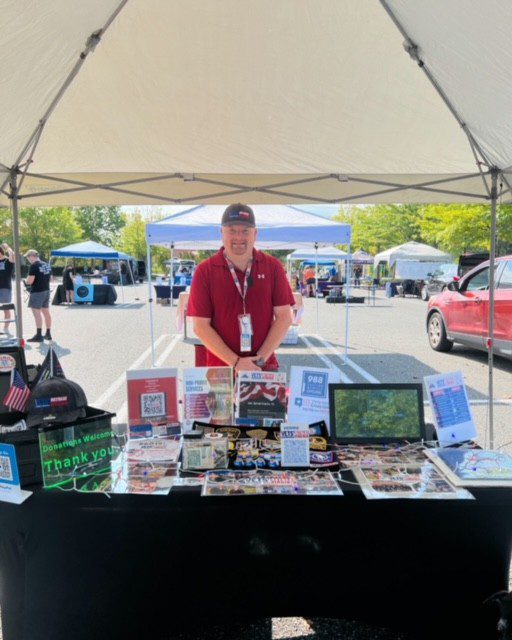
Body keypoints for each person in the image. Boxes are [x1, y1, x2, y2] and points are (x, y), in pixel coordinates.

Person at [187, 203, 294, 373]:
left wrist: (258, 362)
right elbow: (200, 326)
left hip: (263, 367)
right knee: (220, 402)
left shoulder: (272, 267)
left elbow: (284, 317)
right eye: (232, 230)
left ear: (255, 234)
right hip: (221, 370)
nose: (238, 237)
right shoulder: (205, 271)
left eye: (245, 231)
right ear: (221, 233)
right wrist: (236, 362)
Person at [24, 249, 52, 342]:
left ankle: (39, 335)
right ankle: (48, 333)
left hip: (37, 291)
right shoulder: (46, 264)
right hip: (46, 290)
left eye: (28, 257)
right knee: (46, 312)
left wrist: (26, 280)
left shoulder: (34, 266)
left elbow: (30, 281)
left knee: (37, 314)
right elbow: (51, 279)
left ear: (32, 256)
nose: (27, 259)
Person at [0, 243, 15, 334]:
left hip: (5, 288)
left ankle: (5, 328)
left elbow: (12, 255)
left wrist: (7, 247)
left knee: (6, 309)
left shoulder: (7, 261)